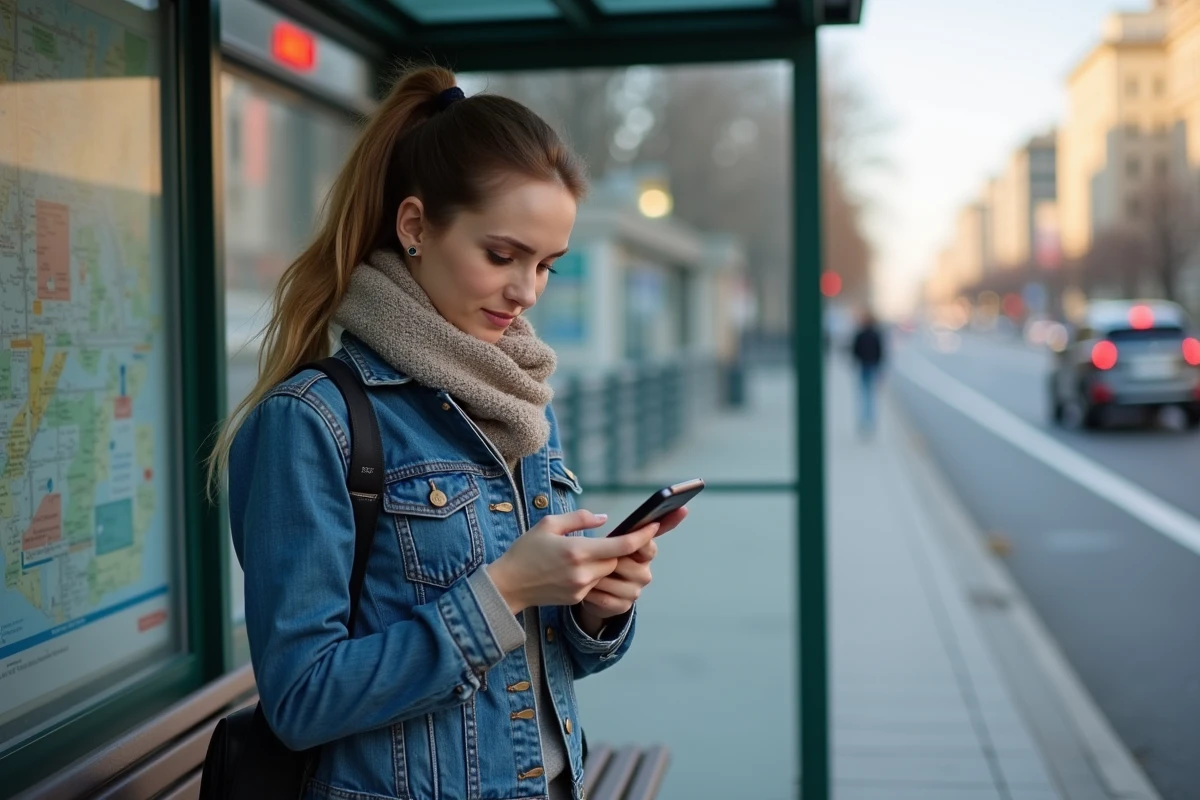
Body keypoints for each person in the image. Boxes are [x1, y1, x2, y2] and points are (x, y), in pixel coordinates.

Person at [208, 66, 688, 800]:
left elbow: (544, 668)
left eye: (546, 266)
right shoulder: (311, 420)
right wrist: (504, 590)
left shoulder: (522, 396)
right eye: (501, 255)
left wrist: (596, 608)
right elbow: (302, 699)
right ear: (414, 227)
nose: (526, 291)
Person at [850, 307, 886, 434]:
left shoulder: (862, 334)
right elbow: (880, 352)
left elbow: (855, 351)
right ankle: (869, 420)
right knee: (869, 395)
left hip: (865, 367)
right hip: (870, 366)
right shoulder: (874, 334)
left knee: (865, 394)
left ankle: (865, 420)